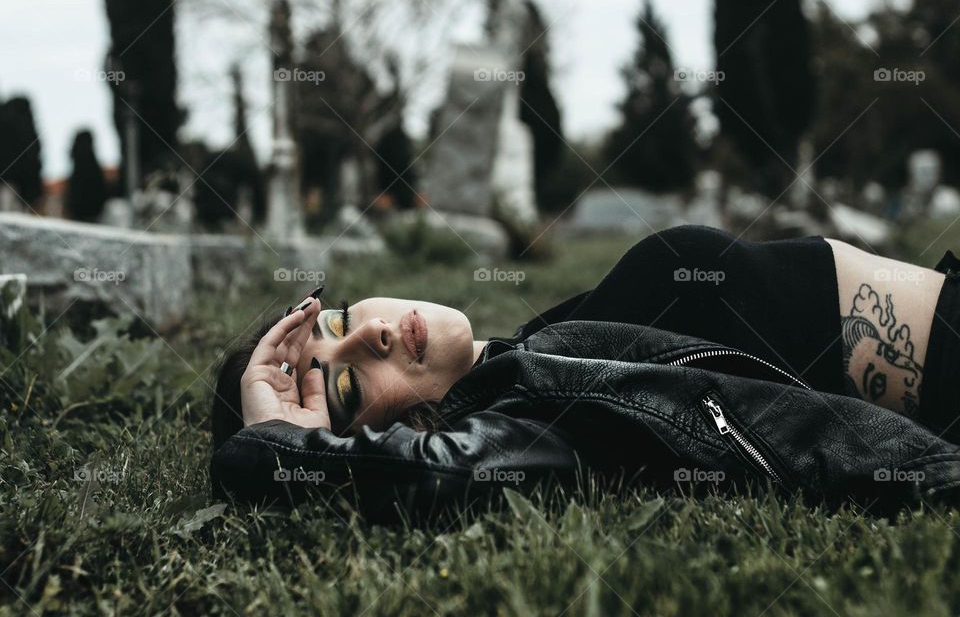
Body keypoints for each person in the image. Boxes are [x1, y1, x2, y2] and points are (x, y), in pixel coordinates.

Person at [210, 225, 960, 522]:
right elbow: (440, 477)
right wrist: (280, 444)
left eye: (337, 322)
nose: (371, 333)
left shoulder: (537, 349)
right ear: (395, 435)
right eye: (346, 386)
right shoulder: (527, 406)